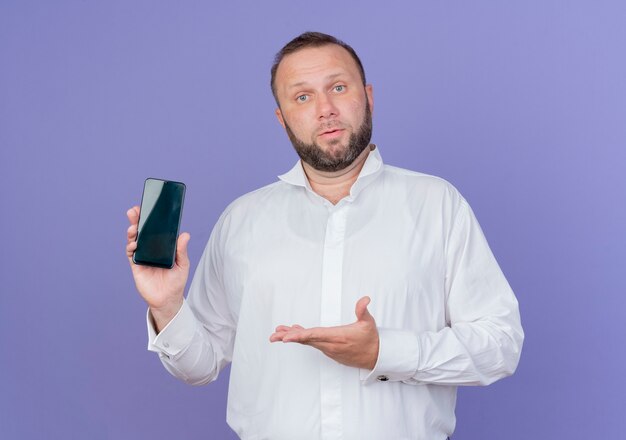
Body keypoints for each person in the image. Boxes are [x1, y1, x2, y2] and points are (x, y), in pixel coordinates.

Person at [125, 31, 524, 440]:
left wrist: (384, 352)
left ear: (368, 96)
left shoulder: (438, 204)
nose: (325, 109)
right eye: (302, 97)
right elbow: (199, 366)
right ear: (282, 118)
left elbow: (500, 346)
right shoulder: (242, 220)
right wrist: (169, 307)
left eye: (338, 87)